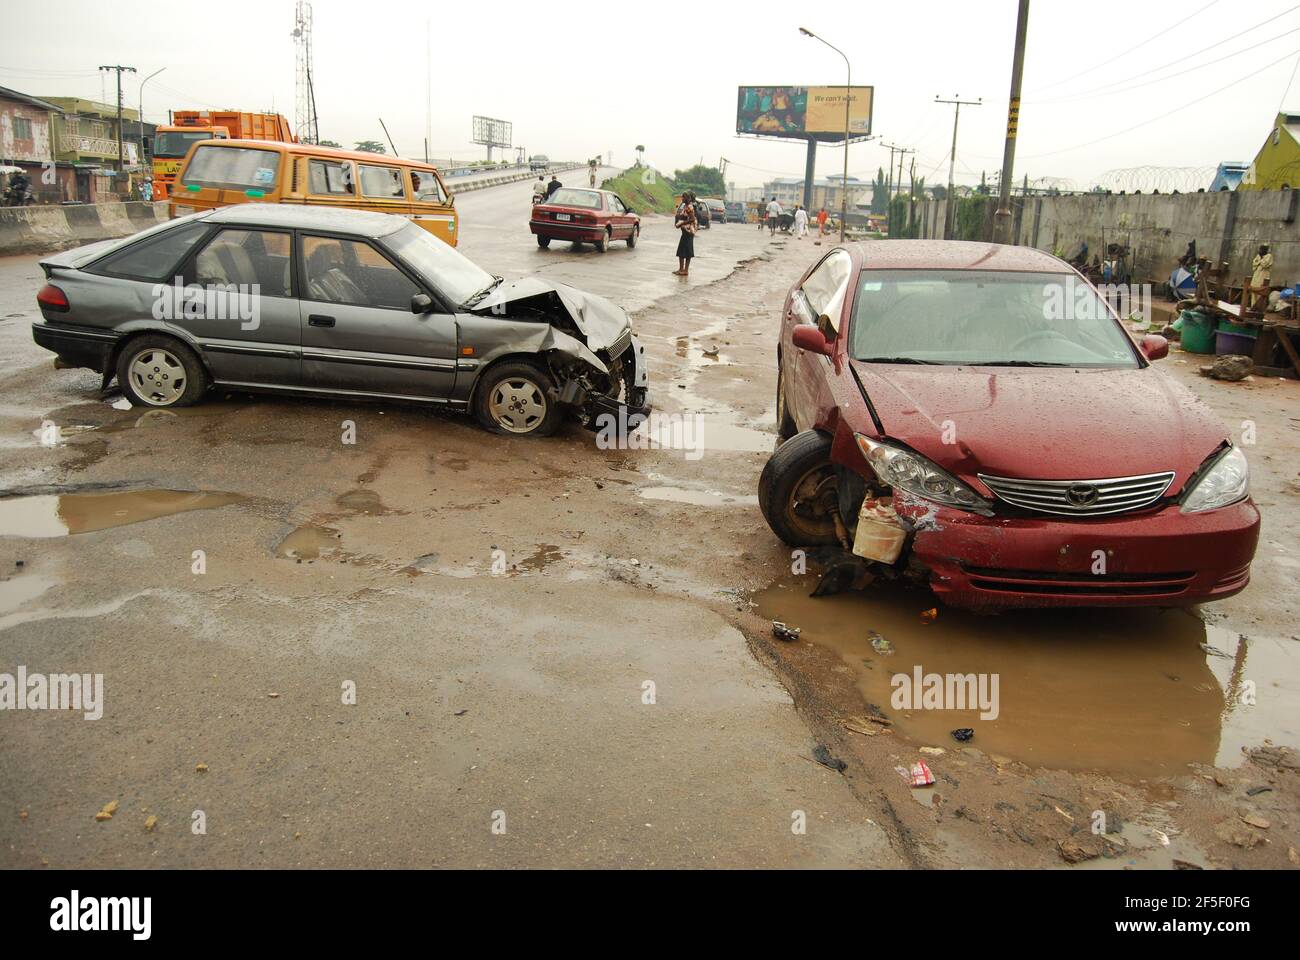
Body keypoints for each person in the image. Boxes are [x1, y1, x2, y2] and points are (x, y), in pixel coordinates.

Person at [674, 190, 697, 276]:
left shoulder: (689, 207)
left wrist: (681, 223)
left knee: (686, 252)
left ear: (688, 198)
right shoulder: (686, 206)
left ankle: (685, 270)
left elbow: (692, 219)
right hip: (685, 232)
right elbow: (684, 216)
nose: (682, 198)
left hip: (688, 232)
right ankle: (681, 269)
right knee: (682, 251)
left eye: (683, 197)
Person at [1251, 244, 1274, 309]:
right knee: (1253, 290)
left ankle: (1259, 308)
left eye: (1262, 249)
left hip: (1263, 275)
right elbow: (1254, 263)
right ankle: (1253, 306)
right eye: (1260, 249)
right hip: (1256, 275)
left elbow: (1265, 264)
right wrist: (1259, 259)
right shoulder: (1258, 255)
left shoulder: (1269, 256)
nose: (1260, 251)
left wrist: (1260, 259)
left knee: (1261, 290)